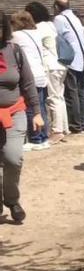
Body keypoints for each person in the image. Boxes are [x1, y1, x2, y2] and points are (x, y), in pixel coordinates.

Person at [0, 11, 43, 223]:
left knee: (12, 158)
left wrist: (36, 112)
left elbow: (27, 83)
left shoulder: (14, 51)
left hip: (14, 112)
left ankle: (12, 200)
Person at [25, 2, 66, 143]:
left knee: (53, 99)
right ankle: (62, 128)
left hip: (50, 65)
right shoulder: (50, 25)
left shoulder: (40, 28)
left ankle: (57, 131)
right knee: (59, 98)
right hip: (60, 64)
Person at [10, 12, 50, 151]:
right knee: (41, 107)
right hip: (41, 73)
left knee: (30, 107)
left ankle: (35, 138)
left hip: (30, 74)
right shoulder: (36, 33)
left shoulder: (17, 36)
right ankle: (44, 137)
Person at [53, 0, 84, 134]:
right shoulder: (75, 18)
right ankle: (82, 122)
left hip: (70, 60)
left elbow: (56, 37)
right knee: (81, 92)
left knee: (71, 93)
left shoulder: (59, 19)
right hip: (80, 59)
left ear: (57, 7)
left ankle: (75, 124)